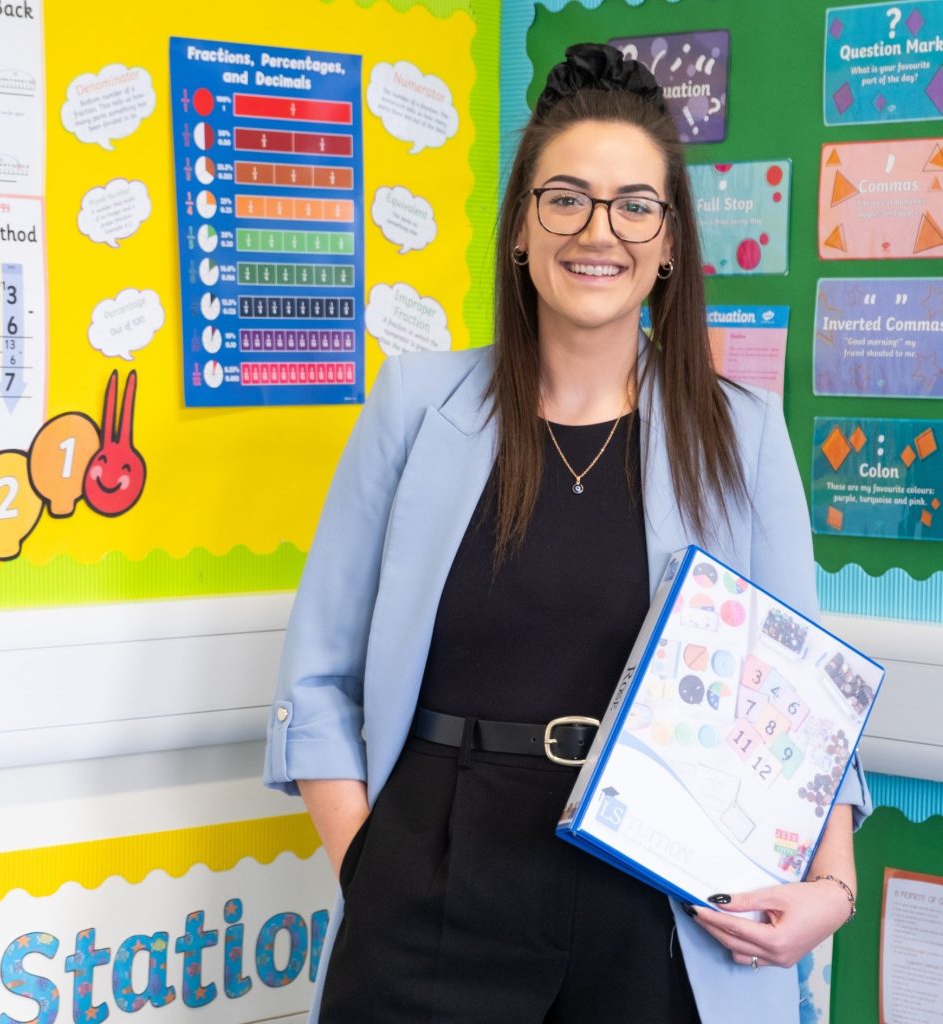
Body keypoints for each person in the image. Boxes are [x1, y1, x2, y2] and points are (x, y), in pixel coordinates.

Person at [265, 42, 871, 1024]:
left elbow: (807, 707)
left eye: (636, 203)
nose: (601, 230)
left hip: (660, 894)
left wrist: (832, 890)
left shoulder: (744, 433)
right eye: (566, 197)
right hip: (436, 876)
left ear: (670, 240)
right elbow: (316, 677)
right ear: (520, 225)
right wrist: (368, 865)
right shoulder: (416, 407)